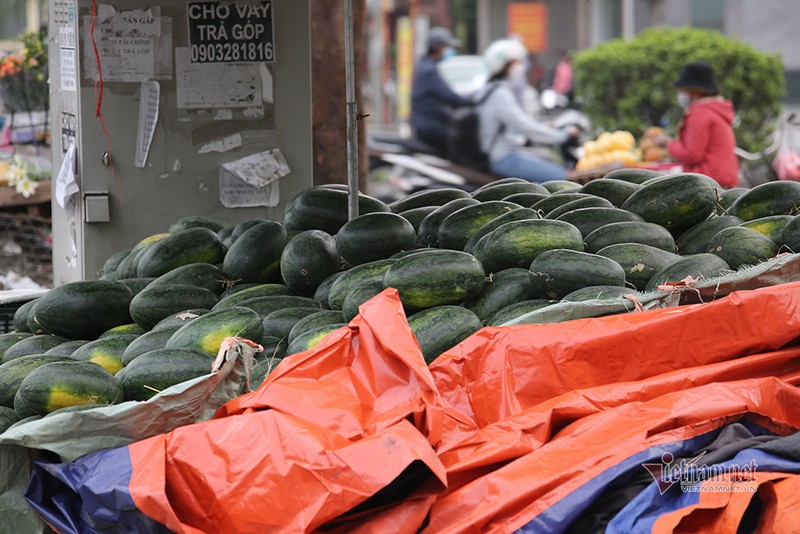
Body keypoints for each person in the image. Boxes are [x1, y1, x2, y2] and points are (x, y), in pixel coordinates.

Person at [475, 39, 578, 183]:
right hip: (503, 158)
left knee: (547, 159)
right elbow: (523, 125)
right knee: (563, 178)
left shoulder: (491, 89)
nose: (521, 67)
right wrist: (563, 135)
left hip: (505, 153)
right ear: (504, 66)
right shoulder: (499, 94)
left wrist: (545, 128)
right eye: (516, 63)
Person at [654, 61, 739, 189]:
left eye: (682, 90)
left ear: (695, 91)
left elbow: (692, 155)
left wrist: (668, 143)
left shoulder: (700, 113)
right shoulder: (714, 109)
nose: (680, 94)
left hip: (709, 183)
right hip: (723, 180)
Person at [410, 27, 468, 154]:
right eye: (447, 47)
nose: (450, 50)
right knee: (462, 143)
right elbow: (448, 96)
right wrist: (469, 101)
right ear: (437, 47)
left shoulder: (427, 66)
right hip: (430, 126)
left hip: (428, 123)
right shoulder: (429, 70)